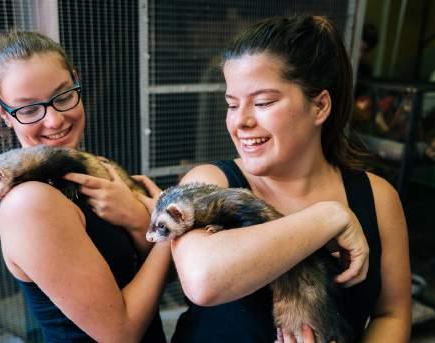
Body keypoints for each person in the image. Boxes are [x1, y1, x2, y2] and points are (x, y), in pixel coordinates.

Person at [170, 16, 411, 342]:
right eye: (231, 104)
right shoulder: (212, 182)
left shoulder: (377, 197)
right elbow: (201, 281)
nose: (240, 121)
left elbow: (392, 314)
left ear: (320, 105)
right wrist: (328, 217)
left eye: (263, 102)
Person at [0, 30, 171, 342]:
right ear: (4, 113)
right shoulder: (30, 203)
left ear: (76, 81)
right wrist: (167, 227)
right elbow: (119, 334)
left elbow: (160, 275)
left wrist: (137, 223)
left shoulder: (93, 167)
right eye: (28, 109)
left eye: (64, 95)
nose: (54, 120)